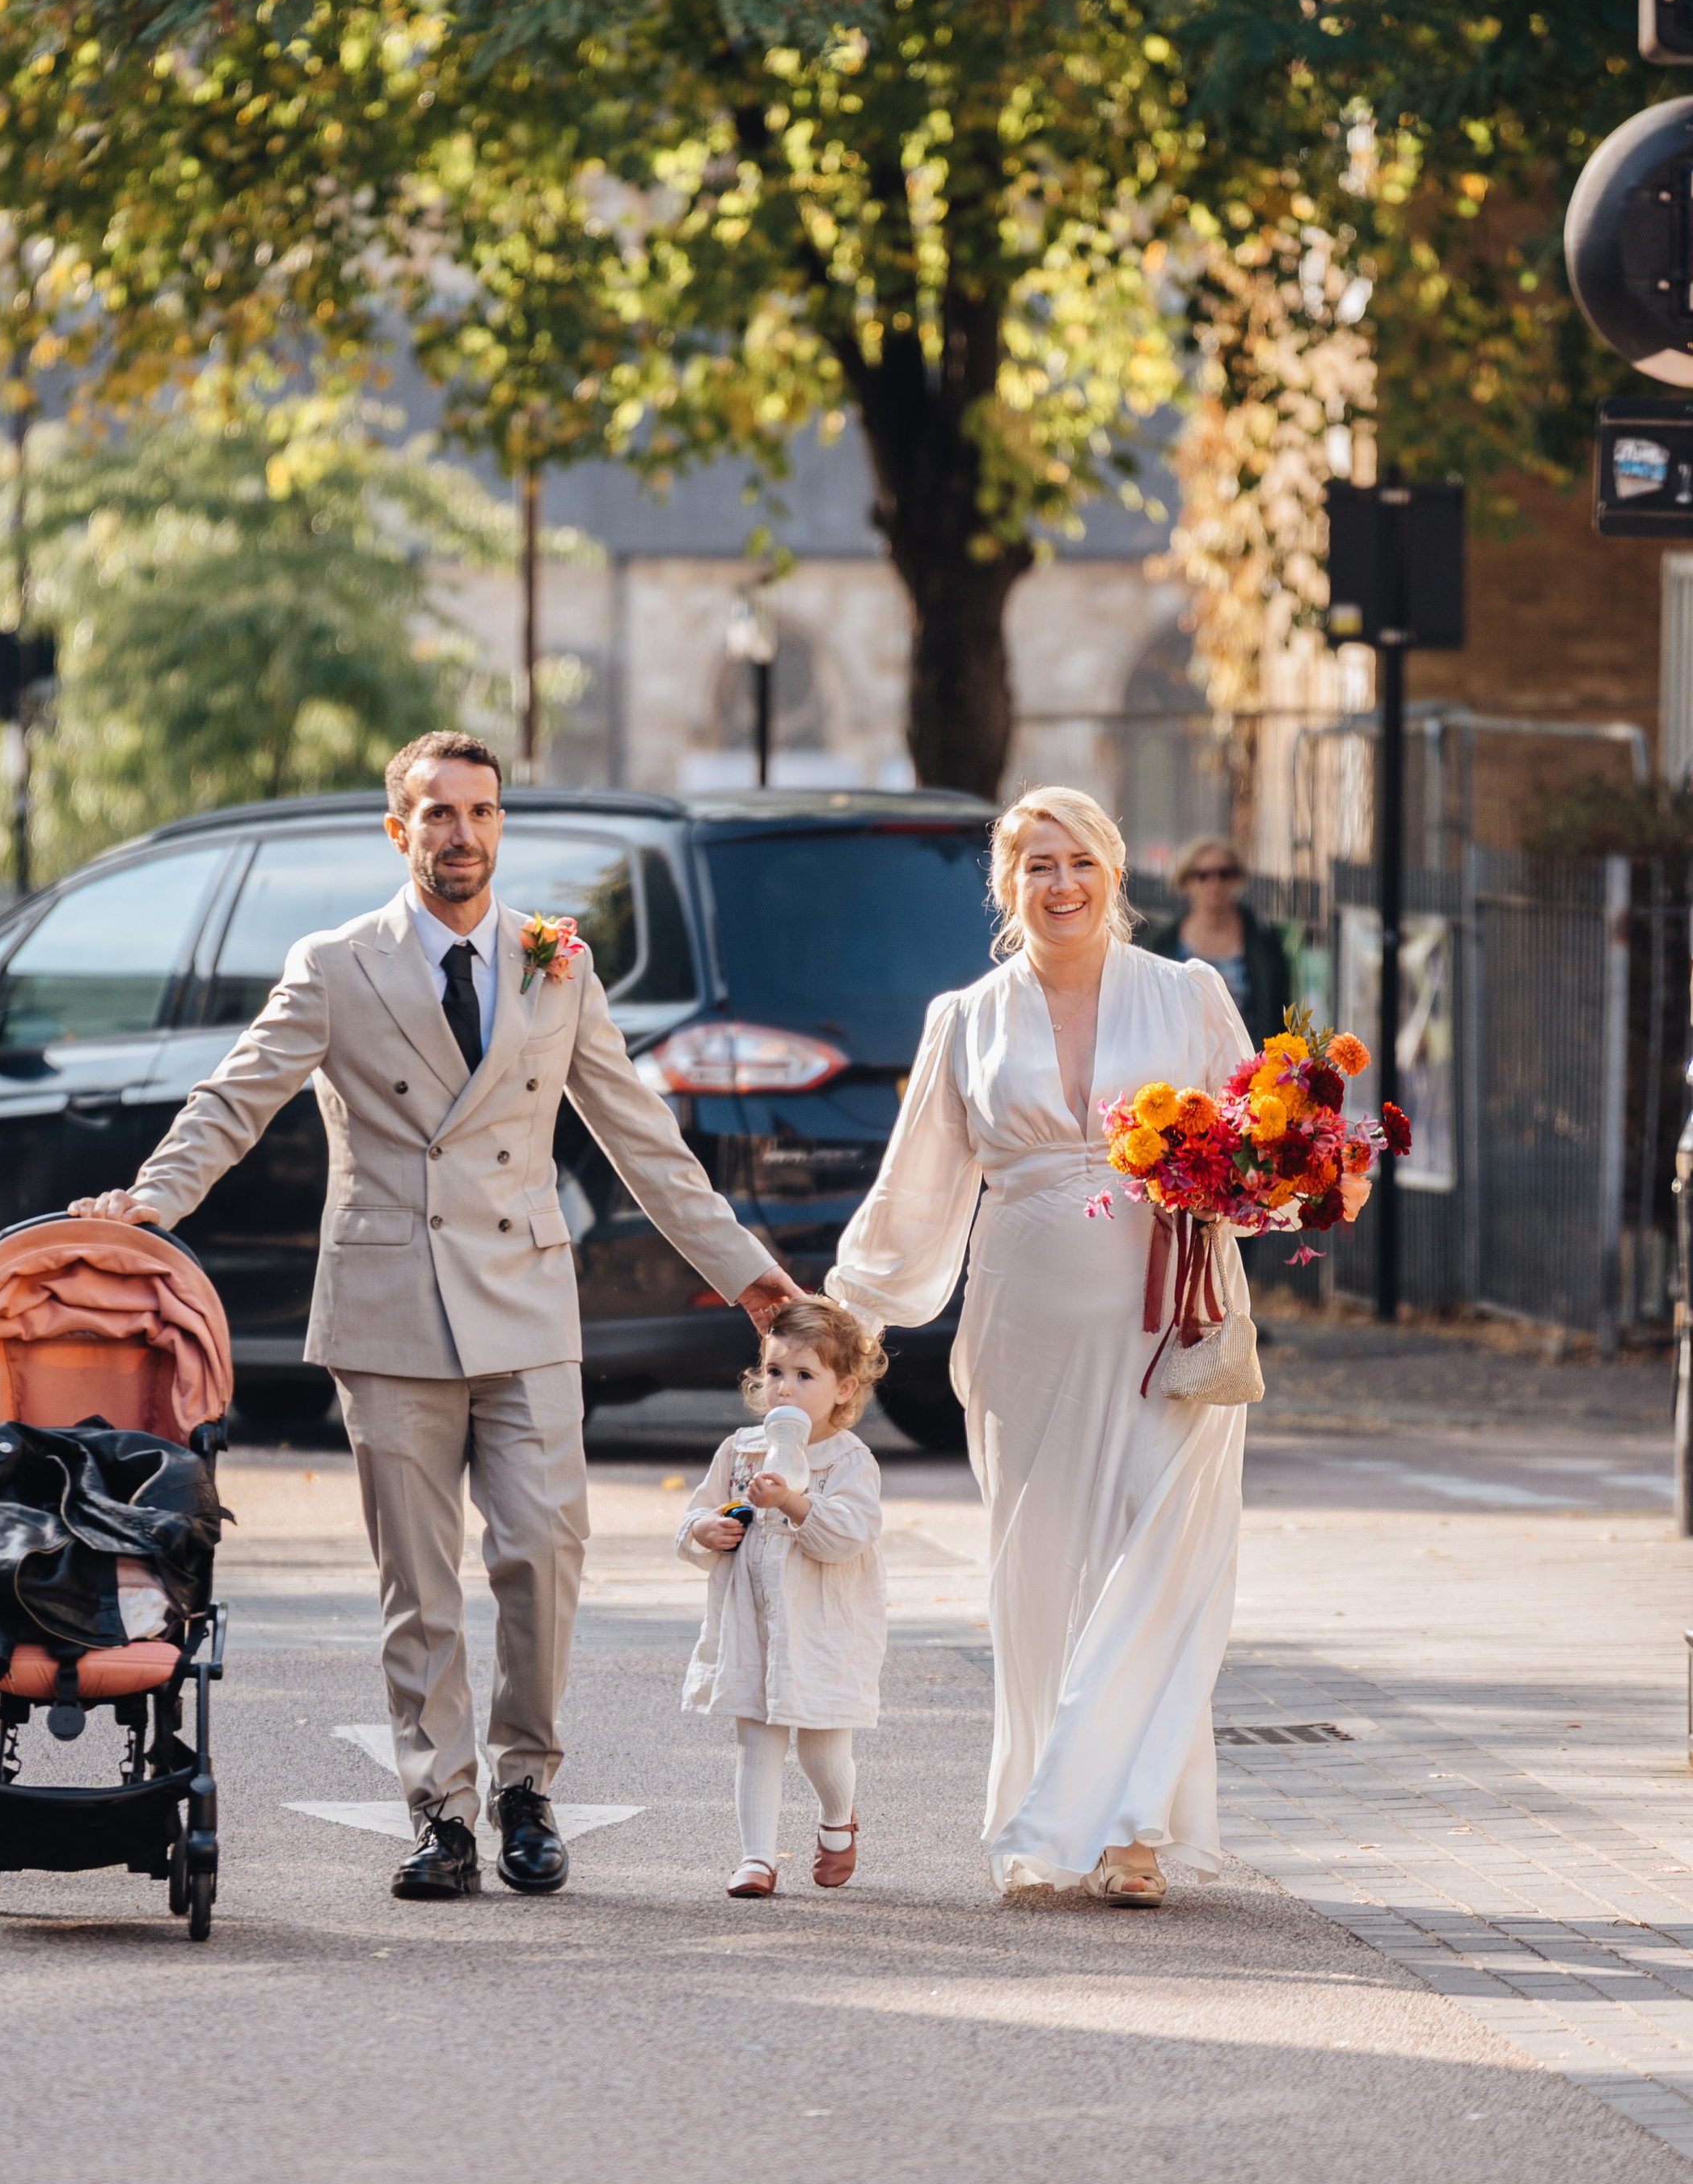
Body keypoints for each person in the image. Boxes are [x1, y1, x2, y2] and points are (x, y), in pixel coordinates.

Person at [72, 728, 802, 1904]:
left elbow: (641, 1138)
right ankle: (442, 1817)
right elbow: (235, 1099)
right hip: (389, 1307)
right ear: (397, 828)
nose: (461, 834)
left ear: (501, 826)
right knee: (418, 1582)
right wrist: (146, 1205)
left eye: (481, 812)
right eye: (438, 813)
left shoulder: (556, 960)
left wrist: (749, 1273)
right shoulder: (336, 964)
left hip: (525, 1299)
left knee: (542, 1556)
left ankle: (527, 1790)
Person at [826, 784, 1252, 1909]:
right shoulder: (966, 1019)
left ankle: (1134, 1830)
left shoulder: (1189, 997)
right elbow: (915, 1186)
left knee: (1157, 1566)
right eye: (1036, 867)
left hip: (1173, 1320)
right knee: (1042, 1571)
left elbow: (1258, 1153)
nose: (1060, 885)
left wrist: (1312, 1174)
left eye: (1080, 864)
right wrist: (844, 1318)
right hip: (1021, 1332)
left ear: (1115, 873)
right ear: (1008, 889)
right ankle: (1051, 1816)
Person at [676, 1296, 889, 1899]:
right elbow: (699, 1509)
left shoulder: (849, 1460)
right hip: (753, 1625)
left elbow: (848, 1537)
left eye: (804, 1376)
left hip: (823, 1628)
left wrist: (795, 1503)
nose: (785, 1390)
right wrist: (702, 1530)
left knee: (823, 1752)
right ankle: (756, 1857)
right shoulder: (740, 1451)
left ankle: (837, 1821)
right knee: (757, 1738)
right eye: (774, 1373)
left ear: (843, 1388)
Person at [1141, 833, 1294, 1036]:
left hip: (1251, 1062)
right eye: (1202, 875)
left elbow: (1281, 1012)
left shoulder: (1263, 940)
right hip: (1181, 1062)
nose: (1215, 883)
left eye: (1224, 874)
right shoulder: (1163, 943)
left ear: (1237, 879)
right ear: (1186, 881)